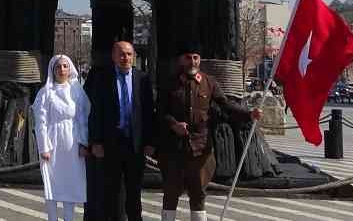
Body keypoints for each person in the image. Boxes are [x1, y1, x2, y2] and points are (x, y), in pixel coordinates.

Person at [156, 45, 260, 221]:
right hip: (173, 150)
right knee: (171, 194)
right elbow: (159, 112)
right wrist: (173, 124)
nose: (192, 61)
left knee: (198, 195)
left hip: (201, 149)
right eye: (188, 57)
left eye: (195, 57)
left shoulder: (209, 82)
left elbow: (226, 105)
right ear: (181, 60)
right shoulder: (169, 83)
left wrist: (249, 114)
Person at [86, 40, 154, 221]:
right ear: (114, 56)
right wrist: (95, 142)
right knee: (112, 192)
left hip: (135, 145)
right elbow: (95, 113)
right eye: (121, 54)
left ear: (134, 56)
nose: (126, 58)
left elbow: (148, 113)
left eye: (129, 54)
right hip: (110, 144)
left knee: (134, 191)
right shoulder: (102, 79)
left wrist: (149, 142)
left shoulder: (143, 79)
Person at [34, 54, 89, 221]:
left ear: (70, 68)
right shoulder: (45, 92)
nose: (62, 70)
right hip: (52, 142)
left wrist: (83, 143)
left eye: (65, 66)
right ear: (53, 70)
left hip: (72, 142)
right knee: (51, 183)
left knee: (70, 184)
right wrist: (44, 147)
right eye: (58, 67)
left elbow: (83, 118)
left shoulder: (77, 90)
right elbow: (40, 121)